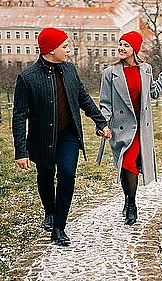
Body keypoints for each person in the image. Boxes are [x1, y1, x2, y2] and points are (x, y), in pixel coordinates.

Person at [13, 27, 111, 246]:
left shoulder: (70, 70)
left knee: (67, 175)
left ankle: (59, 227)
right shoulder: (27, 78)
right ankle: (49, 211)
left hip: (68, 134)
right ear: (50, 49)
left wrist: (100, 121)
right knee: (46, 176)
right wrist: (21, 151)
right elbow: (19, 117)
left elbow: (83, 98)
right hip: (42, 138)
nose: (68, 50)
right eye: (64, 46)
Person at [98, 31, 162, 225]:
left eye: (126, 45)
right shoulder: (110, 73)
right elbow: (105, 103)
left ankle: (130, 203)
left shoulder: (146, 69)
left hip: (141, 128)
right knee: (127, 164)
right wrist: (103, 125)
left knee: (130, 163)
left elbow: (155, 92)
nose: (121, 48)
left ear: (135, 49)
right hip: (121, 128)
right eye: (120, 45)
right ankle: (130, 201)